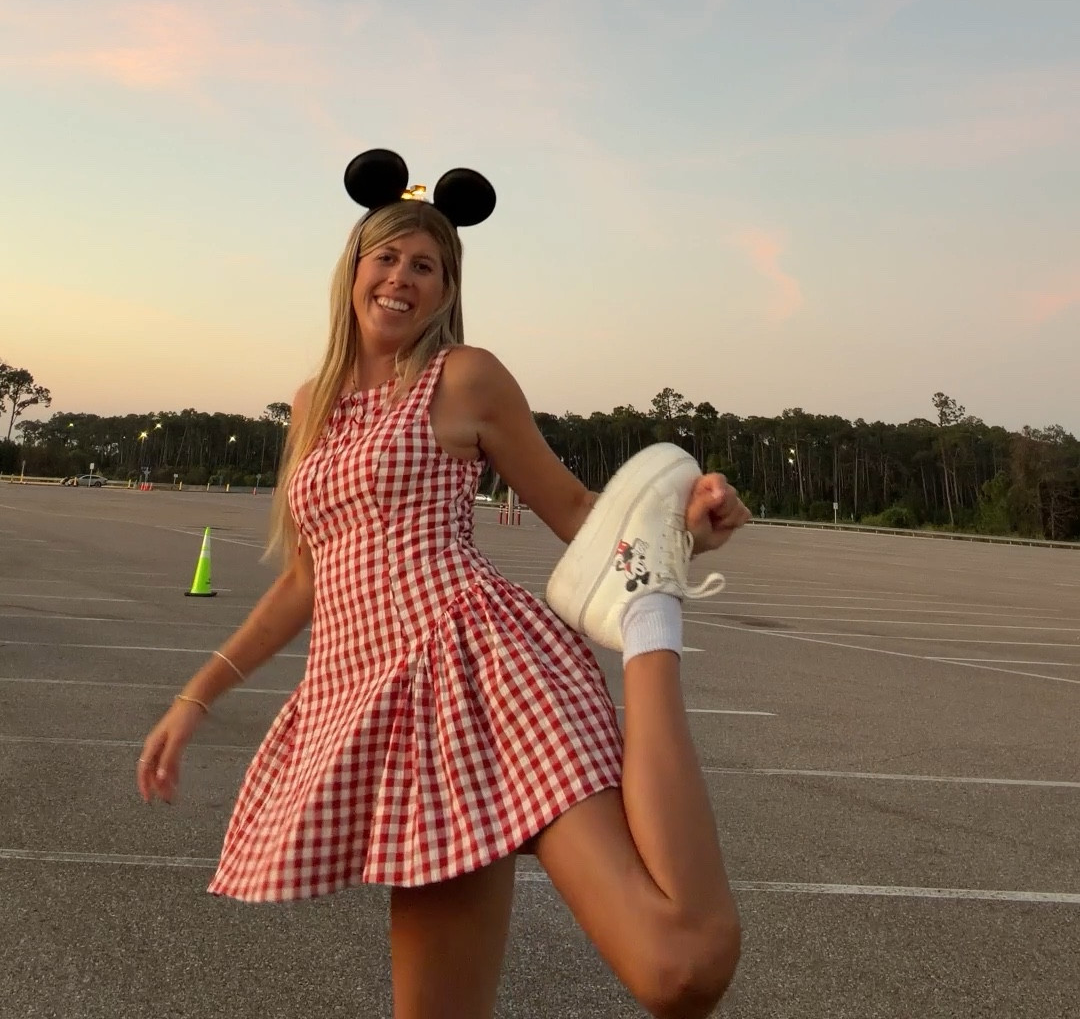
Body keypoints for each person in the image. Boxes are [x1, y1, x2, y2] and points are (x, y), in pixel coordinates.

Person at [137, 153, 751, 1018]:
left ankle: (650, 615)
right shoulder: (312, 404)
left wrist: (681, 518)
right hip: (387, 719)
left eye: (425, 265)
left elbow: (575, 507)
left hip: (482, 674)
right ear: (354, 269)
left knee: (677, 970)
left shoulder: (463, 377)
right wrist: (197, 695)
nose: (401, 278)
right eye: (386, 258)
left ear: (445, 289)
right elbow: (308, 579)